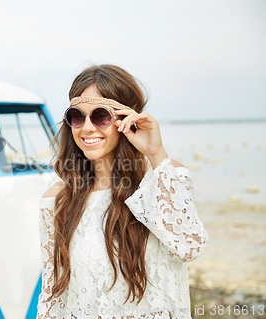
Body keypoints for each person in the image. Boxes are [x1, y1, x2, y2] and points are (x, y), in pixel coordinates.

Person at [37, 64, 208, 319]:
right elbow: (53, 292)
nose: (86, 128)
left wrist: (155, 153)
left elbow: (188, 247)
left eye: (100, 116)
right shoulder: (59, 199)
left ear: (127, 119)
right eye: (76, 116)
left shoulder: (165, 176)